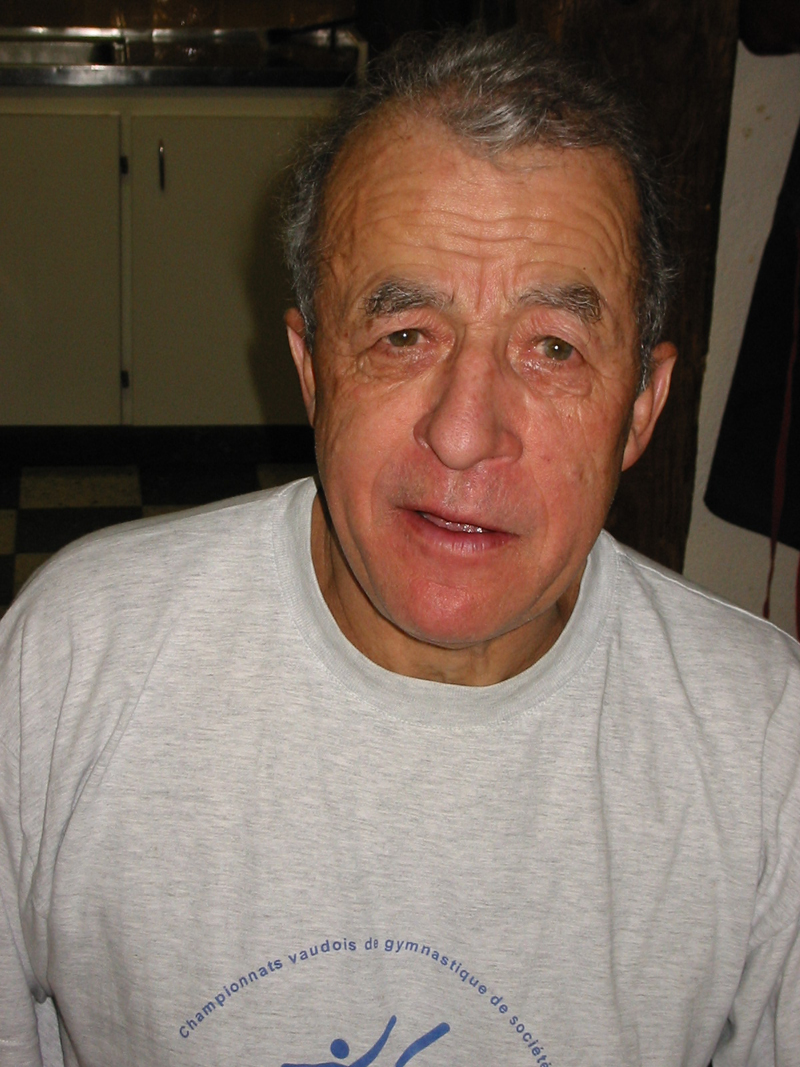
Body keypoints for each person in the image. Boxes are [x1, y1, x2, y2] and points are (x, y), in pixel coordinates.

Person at [1, 28, 799, 1067]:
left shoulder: (762, 745)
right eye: (404, 333)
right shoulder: (71, 664)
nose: (464, 431)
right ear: (311, 368)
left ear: (640, 407)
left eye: (552, 348)